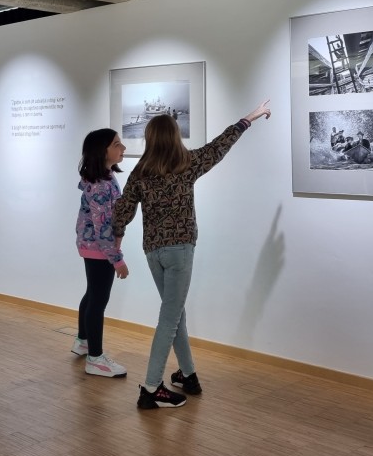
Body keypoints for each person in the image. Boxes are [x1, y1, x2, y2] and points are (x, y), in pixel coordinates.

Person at [113, 100, 271, 409]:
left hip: (153, 252)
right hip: (180, 251)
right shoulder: (187, 164)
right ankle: (151, 388)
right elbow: (219, 147)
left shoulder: (140, 172)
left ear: (149, 138)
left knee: (175, 313)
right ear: (175, 136)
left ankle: (188, 375)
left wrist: (116, 243)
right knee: (170, 318)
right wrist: (248, 119)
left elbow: (123, 213)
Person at [73, 129, 130, 377]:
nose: (123, 148)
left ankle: (83, 341)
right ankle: (95, 358)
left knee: (92, 294)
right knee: (98, 300)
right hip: (99, 249)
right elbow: (103, 228)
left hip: (93, 246)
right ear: (102, 151)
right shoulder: (100, 186)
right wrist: (118, 260)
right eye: (117, 144)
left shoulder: (105, 178)